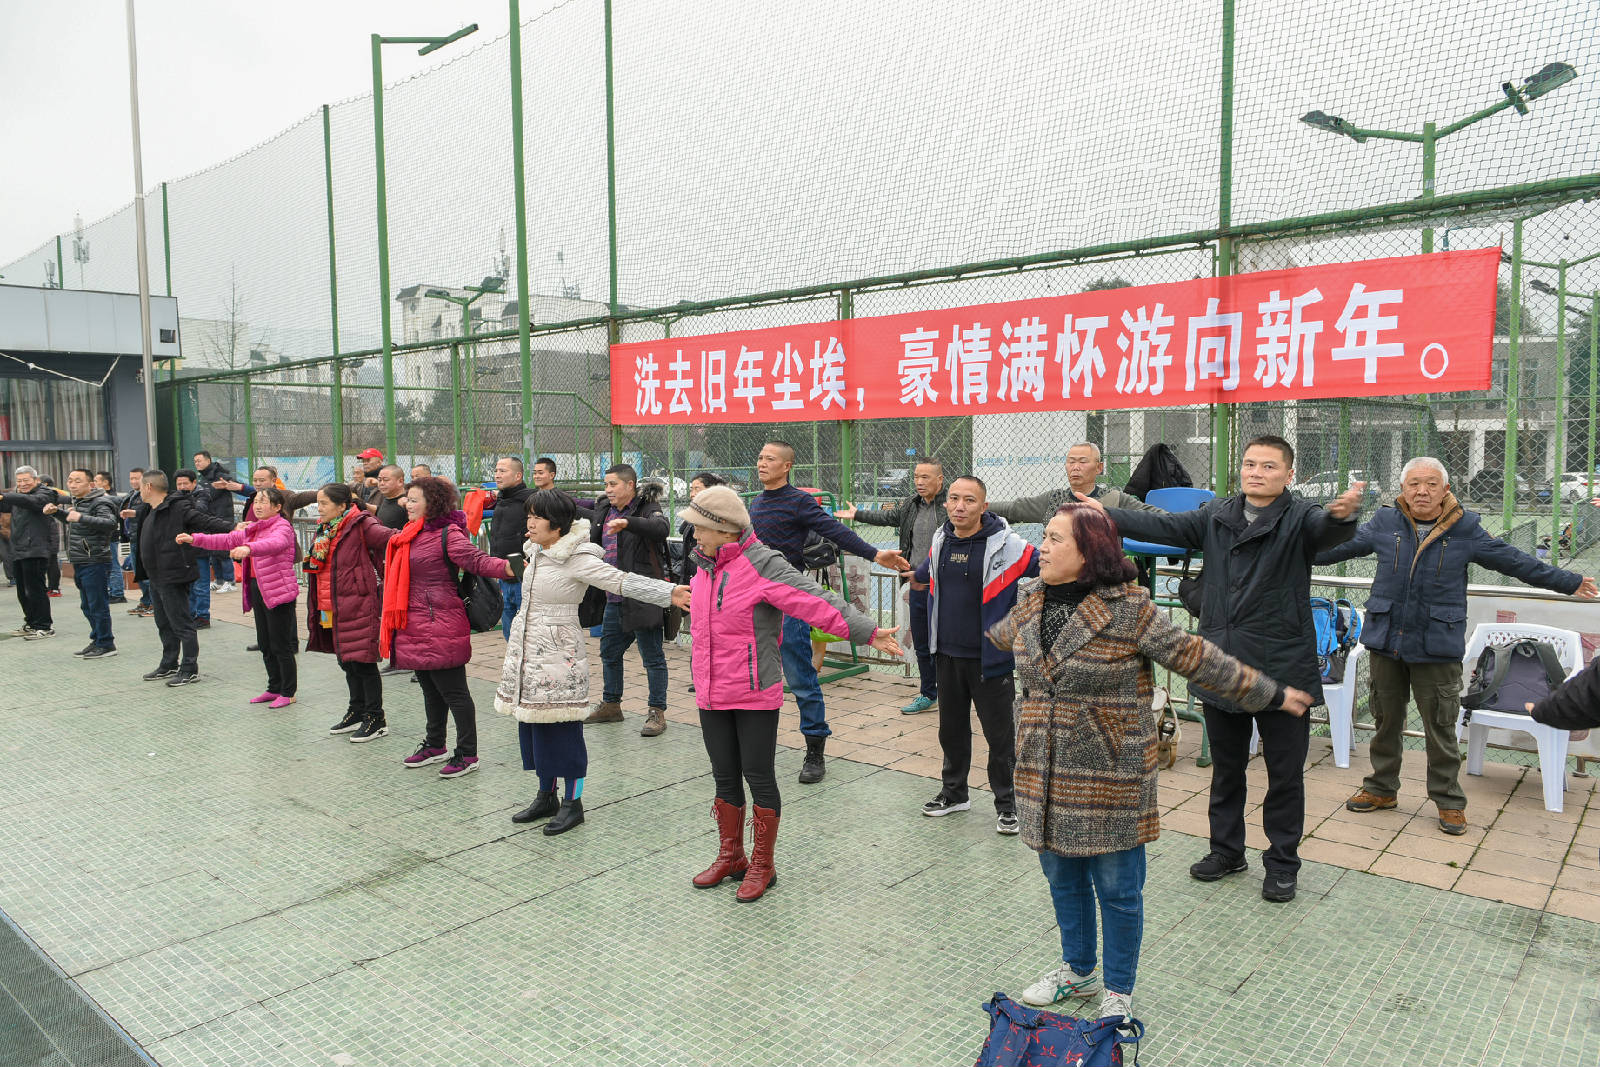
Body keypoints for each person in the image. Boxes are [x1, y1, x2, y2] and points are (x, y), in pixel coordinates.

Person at [988, 503, 1311, 1024]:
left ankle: (1118, 989)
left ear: (1089, 552)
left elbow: (1198, 659)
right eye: (1043, 537)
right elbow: (1000, 639)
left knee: (1117, 890)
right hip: (1041, 767)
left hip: (1108, 770)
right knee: (1063, 879)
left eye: (1054, 539)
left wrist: (1270, 693)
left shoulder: (1130, 608)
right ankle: (1078, 971)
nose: (1041, 548)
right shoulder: (1030, 599)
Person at [1080, 435, 1363, 903]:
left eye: (1268, 466)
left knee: (1285, 776)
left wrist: (1341, 516)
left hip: (1281, 668)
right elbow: (1166, 527)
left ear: (1289, 474)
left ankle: (1283, 863)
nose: (1257, 473)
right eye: (1250, 464)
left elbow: (1326, 533)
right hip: (1223, 665)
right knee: (1227, 771)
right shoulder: (1217, 514)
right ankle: (1227, 851)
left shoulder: (1301, 517)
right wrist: (1104, 514)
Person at [1315, 457, 1597, 835]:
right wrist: (1295, 545)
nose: (1422, 491)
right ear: (1403, 490)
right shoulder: (1385, 522)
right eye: (1414, 484)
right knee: (1385, 721)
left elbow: (1515, 562)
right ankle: (1381, 788)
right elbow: (1333, 550)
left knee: (1441, 727)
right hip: (1386, 641)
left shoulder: (1465, 528)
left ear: (1445, 489)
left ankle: (1448, 801)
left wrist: (1568, 581)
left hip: (1436, 645)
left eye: (1431, 484)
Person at [679, 485, 902, 901]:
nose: (693, 534)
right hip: (711, 690)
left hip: (753, 691)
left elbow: (814, 599)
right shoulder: (703, 566)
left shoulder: (762, 563)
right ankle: (731, 855)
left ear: (724, 529)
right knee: (723, 775)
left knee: (758, 776)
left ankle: (763, 864)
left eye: (699, 527)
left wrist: (867, 631)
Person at [496, 490, 689, 835]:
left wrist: (667, 593)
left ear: (557, 525)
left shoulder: (577, 557)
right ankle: (546, 796)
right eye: (530, 515)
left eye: (537, 517)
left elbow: (621, 581)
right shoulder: (536, 551)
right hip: (528, 657)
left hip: (559, 658)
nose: (530, 522)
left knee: (563, 732)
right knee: (536, 728)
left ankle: (573, 804)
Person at [748, 440, 911, 783]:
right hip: (753, 601)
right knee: (755, 676)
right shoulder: (756, 503)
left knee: (800, 676)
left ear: (787, 466)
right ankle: (754, 746)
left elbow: (833, 530)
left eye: (770, 459)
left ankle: (815, 750)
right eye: (760, 457)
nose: (762, 463)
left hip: (789, 599)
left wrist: (873, 553)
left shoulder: (799, 501)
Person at [910, 475, 1037, 834]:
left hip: (991, 660)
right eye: (954, 499)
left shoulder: (1008, 545)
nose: (960, 506)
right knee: (951, 731)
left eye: (969, 500)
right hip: (946, 655)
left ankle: (1008, 804)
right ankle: (954, 794)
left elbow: (1048, 567)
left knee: (1000, 737)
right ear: (946, 503)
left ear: (984, 506)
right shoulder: (941, 539)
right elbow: (923, 576)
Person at [381, 476, 513, 778]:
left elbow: (477, 560)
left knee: (455, 693)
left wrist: (510, 568)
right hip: (413, 623)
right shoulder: (410, 533)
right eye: (408, 499)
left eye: (414, 500)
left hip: (439, 622)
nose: (407, 504)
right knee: (430, 689)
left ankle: (468, 753)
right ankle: (435, 744)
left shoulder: (448, 533)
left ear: (433, 503)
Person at [836, 458, 948, 714]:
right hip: (916, 585)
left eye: (925, 477)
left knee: (947, 643)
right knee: (922, 643)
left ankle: (953, 694)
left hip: (946, 586)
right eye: (916, 476)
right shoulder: (911, 504)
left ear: (940, 479)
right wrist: (858, 514)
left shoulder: (951, 505)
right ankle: (928, 694)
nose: (919, 482)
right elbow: (887, 516)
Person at [180, 486, 303, 709]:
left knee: (280, 645)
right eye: (256, 501)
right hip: (258, 588)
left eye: (263, 501)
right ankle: (274, 687)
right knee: (265, 643)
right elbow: (226, 540)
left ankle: (288, 691)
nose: (258, 505)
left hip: (278, 592)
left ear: (277, 507)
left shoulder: (282, 527)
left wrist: (249, 548)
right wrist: (195, 539)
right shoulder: (254, 527)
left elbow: (274, 544)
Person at [579, 464, 675, 737]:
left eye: (613, 484)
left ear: (630, 485)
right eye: (606, 485)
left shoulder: (646, 508)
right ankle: (611, 705)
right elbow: (579, 507)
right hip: (613, 597)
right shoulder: (604, 509)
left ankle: (657, 712)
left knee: (652, 657)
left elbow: (661, 528)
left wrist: (628, 523)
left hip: (642, 595)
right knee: (609, 653)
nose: (608, 489)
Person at [126, 470, 237, 685]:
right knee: (163, 622)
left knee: (181, 623)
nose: (138, 491)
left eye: (140, 486)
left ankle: (189, 668)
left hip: (174, 574)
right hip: (156, 575)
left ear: (148, 487)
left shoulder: (178, 507)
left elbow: (205, 520)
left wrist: (232, 527)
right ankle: (169, 663)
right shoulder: (148, 509)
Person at [304, 483, 397, 742]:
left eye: (324, 503)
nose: (319, 508)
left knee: (363, 661)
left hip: (357, 603)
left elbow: (392, 538)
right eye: (318, 503)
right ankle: (356, 710)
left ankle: (376, 718)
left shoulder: (361, 524)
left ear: (342, 505)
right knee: (345, 660)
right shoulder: (326, 528)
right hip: (329, 605)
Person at [43, 468, 121, 657]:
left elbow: (110, 523)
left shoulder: (101, 501)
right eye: (70, 480)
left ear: (91, 484)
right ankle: (97, 640)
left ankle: (106, 643)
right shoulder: (79, 501)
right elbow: (74, 521)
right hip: (81, 559)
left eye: (78, 481)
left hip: (95, 560)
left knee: (97, 605)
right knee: (87, 605)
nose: (72, 485)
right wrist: (56, 513)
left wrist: (81, 517)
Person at [988, 443, 1163, 526]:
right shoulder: (1052, 500)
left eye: (1083, 462)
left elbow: (1153, 515)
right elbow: (1012, 508)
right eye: (1071, 462)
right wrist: (978, 508)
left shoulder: (1115, 499)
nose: (1075, 467)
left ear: (1099, 467)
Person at [1, 466, 58, 638]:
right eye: (19, 481)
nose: (22, 484)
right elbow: (5, 504)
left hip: (36, 549)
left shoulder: (45, 493)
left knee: (36, 590)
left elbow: (32, 502)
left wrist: (6, 495)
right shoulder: (17, 496)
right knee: (22, 591)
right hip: (18, 550)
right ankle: (32, 623)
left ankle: (44, 626)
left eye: (26, 480)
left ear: (36, 480)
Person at [482, 457, 536, 640]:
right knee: (508, 629)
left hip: (522, 571)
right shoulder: (503, 498)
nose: (497, 475)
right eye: (496, 471)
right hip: (502, 571)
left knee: (525, 629)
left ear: (518, 475)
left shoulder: (530, 499)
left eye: (503, 471)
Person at [192, 451, 239, 594]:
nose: (197, 463)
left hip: (223, 518)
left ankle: (230, 581)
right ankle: (219, 580)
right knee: (212, 550)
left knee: (223, 551)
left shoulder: (220, 475)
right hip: (210, 519)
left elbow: (232, 483)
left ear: (208, 460)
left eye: (199, 460)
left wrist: (226, 484)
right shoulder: (202, 478)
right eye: (195, 461)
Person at [119, 470, 153, 617]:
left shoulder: (148, 495)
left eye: (136, 478)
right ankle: (146, 601)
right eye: (131, 478)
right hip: (132, 537)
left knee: (146, 573)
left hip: (143, 538)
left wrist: (134, 513)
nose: (133, 481)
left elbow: (148, 513)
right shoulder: (131, 495)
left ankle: (153, 604)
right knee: (138, 572)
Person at [93, 472, 127, 604]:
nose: (94, 483)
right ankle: (110, 591)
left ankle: (117, 593)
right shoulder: (99, 497)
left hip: (111, 536)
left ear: (105, 482)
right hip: (102, 536)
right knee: (106, 566)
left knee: (113, 565)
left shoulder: (112, 497)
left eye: (97, 481)